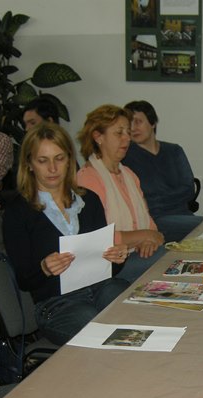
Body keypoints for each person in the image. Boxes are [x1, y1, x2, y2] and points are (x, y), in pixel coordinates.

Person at [3, 123, 130, 345]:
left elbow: (108, 268)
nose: (52, 168)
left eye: (59, 158)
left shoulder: (89, 201)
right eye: (43, 161)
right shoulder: (18, 212)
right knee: (94, 326)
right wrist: (44, 268)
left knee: (130, 306)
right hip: (56, 302)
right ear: (29, 164)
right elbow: (24, 279)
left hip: (100, 287)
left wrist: (117, 258)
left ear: (69, 160)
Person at [76, 104, 165, 282]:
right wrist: (145, 236)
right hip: (109, 263)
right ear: (98, 137)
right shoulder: (87, 179)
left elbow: (151, 226)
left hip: (135, 253)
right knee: (168, 259)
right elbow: (98, 238)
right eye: (119, 133)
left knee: (168, 255)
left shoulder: (129, 175)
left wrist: (149, 240)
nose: (127, 138)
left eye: (128, 132)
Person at [121, 100, 203, 242]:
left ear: (152, 123)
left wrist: (156, 199)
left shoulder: (174, 151)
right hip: (154, 220)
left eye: (138, 122)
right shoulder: (126, 157)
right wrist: (170, 198)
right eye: (129, 124)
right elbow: (140, 200)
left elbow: (189, 190)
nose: (133, 128)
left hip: (184, 214)